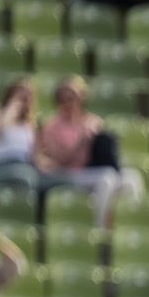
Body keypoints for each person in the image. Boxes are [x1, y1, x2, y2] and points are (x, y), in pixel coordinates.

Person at [38, 76, 141, 229]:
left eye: (74, 96)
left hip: (94, 169)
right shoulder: (52, 126)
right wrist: (82, 141)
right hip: (70, 173)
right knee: (105, 179)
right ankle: (101, 230)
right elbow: (59, 159)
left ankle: (131, 227)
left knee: (132, 178)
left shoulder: (92, 121)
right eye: (65, 97)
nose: (69, 101)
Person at [0, 80, 40, 194]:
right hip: (0, 165)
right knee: (24, 178)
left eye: (28, 95)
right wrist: (12, 108)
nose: (25, 98)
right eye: (21, 93)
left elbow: (35, 157)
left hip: (25, 166)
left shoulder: (29, 124)